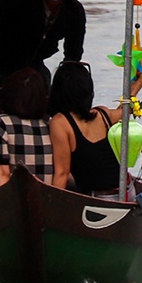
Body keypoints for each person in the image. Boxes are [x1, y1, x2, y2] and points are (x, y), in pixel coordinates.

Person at [47, 61, 123, 196]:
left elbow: (62, 173)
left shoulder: (60, 123)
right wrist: (139, 83)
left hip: (97, 199)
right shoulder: (103, 114)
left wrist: (52, 203)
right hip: (126, 192)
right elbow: (126, 109)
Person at [0, 67, 59, 187]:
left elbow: (2, 173)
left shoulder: (2, 123)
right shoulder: (50, 125)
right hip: (46, 195)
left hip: (16, 195)